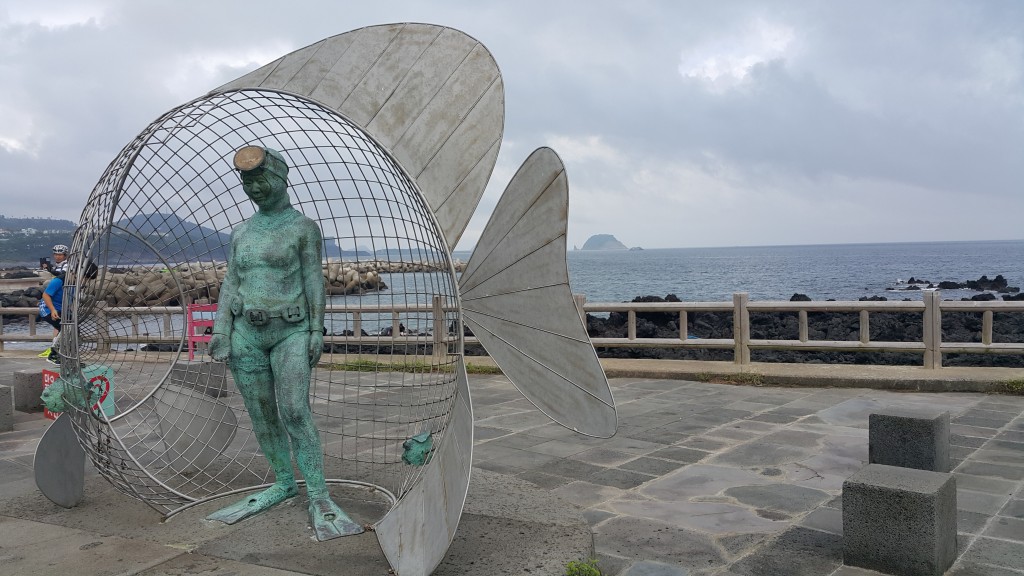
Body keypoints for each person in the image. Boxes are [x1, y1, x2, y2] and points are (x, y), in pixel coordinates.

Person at [207, 145, 362, 540]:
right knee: (260, 413)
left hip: (290, 329)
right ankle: (281, 482)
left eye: (261, 180)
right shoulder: (241, 232)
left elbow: (313, 280)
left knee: (294, 410)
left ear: (281, 177)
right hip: (246, 332)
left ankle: (320, 494)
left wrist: (315, 330)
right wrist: (222, 329)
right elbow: (232, 281)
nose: (255, 188)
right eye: (247, 182)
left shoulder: (302, 228)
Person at [38, 265, 65, 365]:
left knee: (74, 329)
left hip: (61, 309)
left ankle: (66, 355)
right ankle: (53, 355)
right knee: (64, 327)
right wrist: (52, 309)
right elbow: (45, 295)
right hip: (47, 309)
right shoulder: (58, 281)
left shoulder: (76, 283)